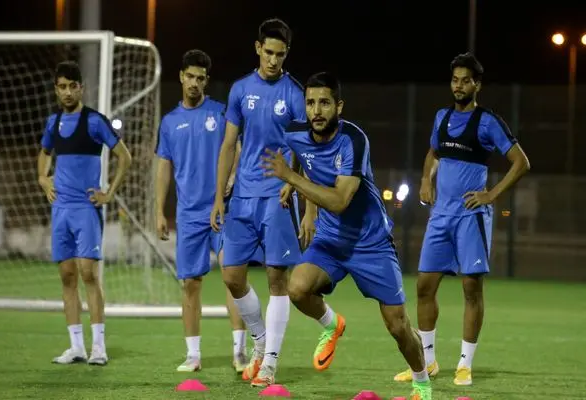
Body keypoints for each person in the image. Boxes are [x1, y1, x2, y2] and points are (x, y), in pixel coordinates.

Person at [261, 71, 433, 400]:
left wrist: (292, 180)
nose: (316, 111)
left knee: (398, 325)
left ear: (338, 106)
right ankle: (331, 324)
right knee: (297, 289)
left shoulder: (353, 140)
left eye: (324, 103)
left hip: (370, 243)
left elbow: (340, 201)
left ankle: (422, 383)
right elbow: (301, 153)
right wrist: (296, 183)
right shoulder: (296, 132)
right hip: (330, 240)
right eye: (310, 103)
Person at [394, 53, 530, 386]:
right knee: (424, 286)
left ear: (477, 85)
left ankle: (465, 365)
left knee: (471, 288)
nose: (458, 86)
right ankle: (427, 362)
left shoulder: (487, 121)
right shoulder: (441, 117)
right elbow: (433, 152)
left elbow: (521, 162)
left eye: (465, 80)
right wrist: (426, 179)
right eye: (454, 80)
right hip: (440, 215)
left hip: (471, 216)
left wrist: (491, 194)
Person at [210, 18, 315, 388]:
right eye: (268, 52)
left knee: (276, 278)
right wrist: (219, 197)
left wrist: (295, 184)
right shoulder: (240, 90)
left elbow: (306, 147)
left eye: (280, 54)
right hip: (242, 196)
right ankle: (260, 338)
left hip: (277, 195)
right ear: (258, 48)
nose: (273, 60)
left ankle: (270, 362)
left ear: (287, 54)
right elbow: (228, 145)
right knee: (231, 275)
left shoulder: (295, 94)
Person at [155, 49, 257, 373]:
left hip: (223, 211)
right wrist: (159, 210)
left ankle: (240, 352)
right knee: (190, 284)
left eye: (200, 78)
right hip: (188, 215)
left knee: (232, 277)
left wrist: (232, 176)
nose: (195, 83)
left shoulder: (219, 112)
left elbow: (236, 148)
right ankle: (193, 355)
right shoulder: (169, 122)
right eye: (190, 76)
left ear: (206, 81)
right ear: (181, 77)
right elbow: (163, 168)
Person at [38, 60, 132, 366]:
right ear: (56, 90)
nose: (67, 92)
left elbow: (124, 157)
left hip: (86, 209)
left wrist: (109, 193)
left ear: (82, 88)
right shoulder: (53, 123)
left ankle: (99, 347)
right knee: (67, 276)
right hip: (60, 210)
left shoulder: (94, 121)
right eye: (61, 87)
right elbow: (44, 154)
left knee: (89, 274)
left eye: (72, 86)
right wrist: (43, 178)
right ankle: (76, 347)